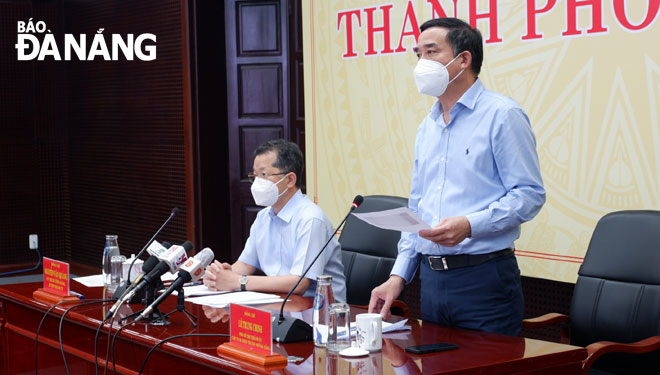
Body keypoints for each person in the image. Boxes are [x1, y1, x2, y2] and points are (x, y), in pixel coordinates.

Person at [368, 18, 545, 336]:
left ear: (463, 59)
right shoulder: (428, 127)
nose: (421, 63)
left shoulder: (502, 115)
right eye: (417, 54)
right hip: (432, 282)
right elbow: (417, 209)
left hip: (484, 279)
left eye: (431, 52)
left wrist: (471, 224)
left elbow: (529, 194)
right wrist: (399, 275)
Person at [203, 139, 346, 301]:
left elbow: (299, 283)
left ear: (290, 180)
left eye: (264, 175)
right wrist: (220, 275)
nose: (257, 183)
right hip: (279, 306)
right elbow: (246, 264)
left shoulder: (311, 219)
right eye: (255, 176)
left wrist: (239, 281)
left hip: (317, 312)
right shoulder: (263, 217)